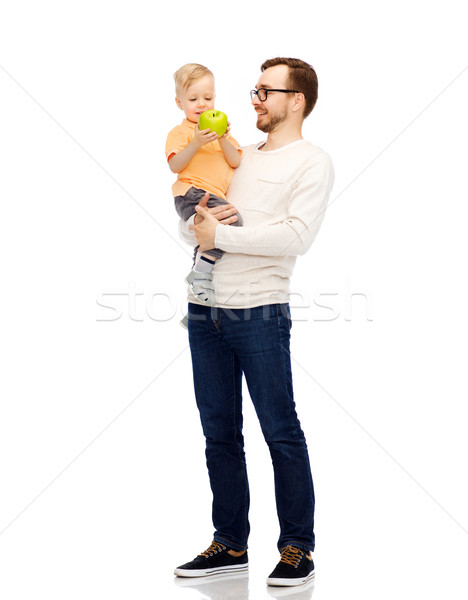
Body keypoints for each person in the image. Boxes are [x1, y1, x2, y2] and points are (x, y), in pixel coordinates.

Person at [174, 57, 335, 587]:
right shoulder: (235, 157)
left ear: (298, 100)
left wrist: (220, 238)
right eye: (255, 89)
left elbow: (296, 237)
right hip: (206, 313)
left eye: (268, 90)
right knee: (218, 434)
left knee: (280, 432)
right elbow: (196, 227)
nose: (255, 99)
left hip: (261, 312)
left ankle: (296, 549)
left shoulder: (311, 162)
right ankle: (229, 544)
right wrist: (204, 229)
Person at [166, 63, 243, 308]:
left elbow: (236, 160)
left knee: (205, 241)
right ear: (180, 103)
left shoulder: (223, 133)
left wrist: (222, 137)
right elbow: (175, 165)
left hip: (211, 194)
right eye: (193, 99)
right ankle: (199, 276)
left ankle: (196, 299)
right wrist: (196, 142)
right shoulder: (181, 132)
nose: (201, 104)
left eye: (208, 98)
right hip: (191, 193)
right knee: (234, 223)